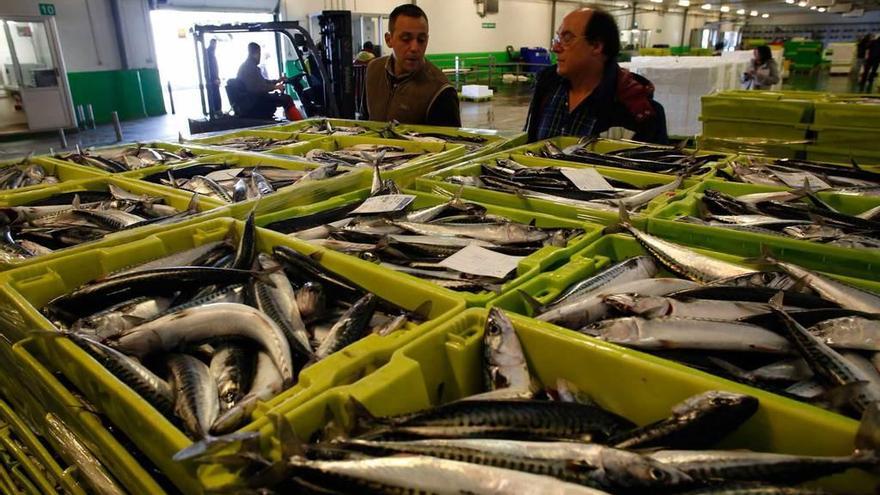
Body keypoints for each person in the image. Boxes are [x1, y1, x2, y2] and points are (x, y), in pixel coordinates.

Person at [524, 8, 667, 143]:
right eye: (557, 38)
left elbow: (651, 167)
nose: (555, 48)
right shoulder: (547, 86)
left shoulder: (637, 110)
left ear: (596, 46)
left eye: (567, 38)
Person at [365, 4, 460, 127]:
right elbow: (365, 119)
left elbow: (450, 143)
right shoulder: (373, 70)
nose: (415, 48)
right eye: (406, 39)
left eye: (421, 40)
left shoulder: (440, 91)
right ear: (389, 39)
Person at [235, 42, 302, 121]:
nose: (260, 56)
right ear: (256, 53)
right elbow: (258, 88)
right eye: (259, 53)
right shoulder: (249, 68)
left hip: (253, 99)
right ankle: (298, 122)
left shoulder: (249, 66)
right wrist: (275, 87)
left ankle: (292, 120)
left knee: (284, 98)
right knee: (287, 99)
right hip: (256, 101)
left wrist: (277, 81)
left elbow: (262, 82)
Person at [205, 39, 222, 117]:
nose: (215, 46)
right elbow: (212, 67)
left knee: (214, 95)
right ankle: (217, 111)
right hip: (213, 79)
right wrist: (215, 78)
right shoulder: (209, 53)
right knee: (215, 95)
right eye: (214, 44)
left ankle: (216, 111)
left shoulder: (210, 52)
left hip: (213, 78)